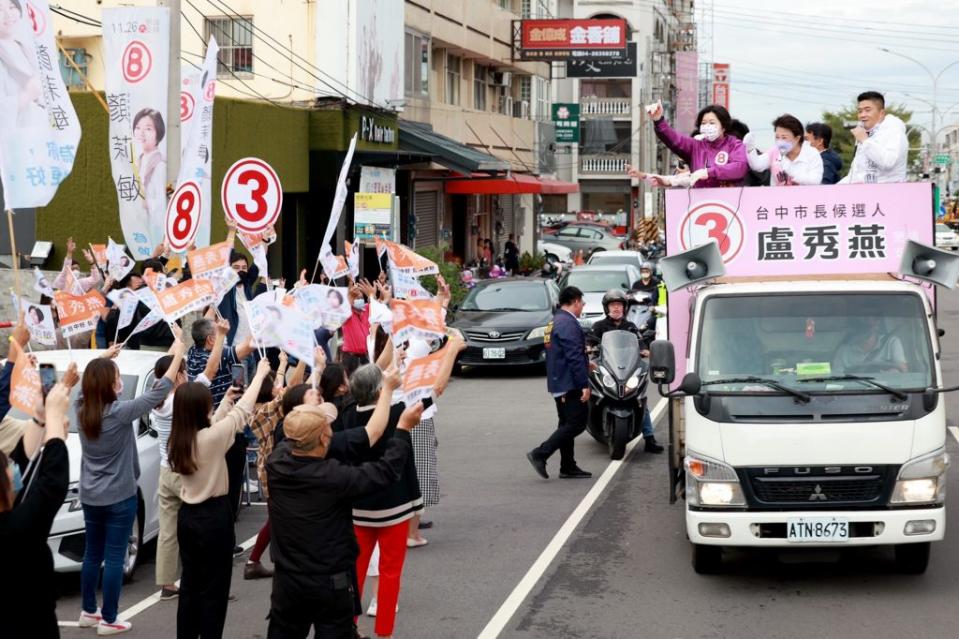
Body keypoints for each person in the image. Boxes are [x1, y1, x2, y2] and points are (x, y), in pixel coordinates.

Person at [265, 395, 424, 639]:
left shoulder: (276, 462)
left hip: (288, 582)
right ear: (322, 438)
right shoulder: (335, 477)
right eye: (328, 427)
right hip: (329, 582)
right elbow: (385, 472)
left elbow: (296, 439)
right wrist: (401, 429)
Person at [76, 339, 186, 635]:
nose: (120, 383)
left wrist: (103, 358)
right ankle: (109, 619)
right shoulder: (120, 412)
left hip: (90, 495)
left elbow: (82, 382)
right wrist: (178, 352)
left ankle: (89, 611)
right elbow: (162, 389)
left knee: (91, 554)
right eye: (116, 380)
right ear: (109, 386)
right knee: (114, 558)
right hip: (119, 496)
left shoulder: (81, 408)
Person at [169, 357, 272, 639]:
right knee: (215, 590)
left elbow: (217, 424)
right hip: (213, 518)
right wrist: (260, 376)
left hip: (188, 517)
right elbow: (241, 414)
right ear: (201, 409)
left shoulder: (180, 438)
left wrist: (225, 400)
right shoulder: (209, 439)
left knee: (191, 586)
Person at [0, 378, 73, 639]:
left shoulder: (11, 519)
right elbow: (52, 483)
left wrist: (41, 418)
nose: (12, 469)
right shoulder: (17, 530)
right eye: (6, 467)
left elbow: (22, 463)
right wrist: (53, 418)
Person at [244, 352, 304, 581]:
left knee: (276, 517)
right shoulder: (266, 410)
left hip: (267, 467)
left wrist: (282, 363)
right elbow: (292, 387)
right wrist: (305, 361)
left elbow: (280, 384)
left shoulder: (257, 405)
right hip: (273, 469)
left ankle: (255, 561)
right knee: (277, 517)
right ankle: (255, 561)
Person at [527, 286, 592, 479]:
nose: (583, 306)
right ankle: (540, 453)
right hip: (569, 383)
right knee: (577, 424)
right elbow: (573, 356)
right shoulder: (568, 323)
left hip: (559, 381)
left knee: (566, 423)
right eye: (582, 302)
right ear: (575, 301)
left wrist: (589, 363)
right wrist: (584, 384)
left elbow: (561, 353)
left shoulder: (556, 321)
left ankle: (568, 466)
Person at [589, 290, 663, 454]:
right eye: (613, 305)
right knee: (592, 394)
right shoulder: (599, 326)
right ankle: (588, 422)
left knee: (640, 400)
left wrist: (648, 351)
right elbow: (589, 343)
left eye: (619, 305)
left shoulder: (630, 327)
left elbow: (641, 344)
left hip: (627, 368)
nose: (616, 308)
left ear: (624, 308)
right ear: (607, 308)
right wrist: (588, 347)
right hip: (607, 367)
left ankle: (649, 439)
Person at [644, 102, 748, 188]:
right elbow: (674, 139)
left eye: (712, 123)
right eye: (703, 123)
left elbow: (740, 167)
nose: (707, 126)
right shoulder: (695, 146)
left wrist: (708, 172)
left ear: (724, 126)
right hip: (699, 204)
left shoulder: (735, 145)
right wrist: (658, 120)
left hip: (728, 203)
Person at [840, 91, 908, 184]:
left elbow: (888, 162)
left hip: (889, 194)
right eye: (860, 111)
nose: (862, 115)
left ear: (881, 113)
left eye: (867, 110)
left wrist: (865, 140)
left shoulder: (894, 132)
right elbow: (857, 174)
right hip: (866, 194)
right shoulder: (867, 134)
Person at [744, 114, 823, 186]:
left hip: (804, 199)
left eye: (784, 137)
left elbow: (815, 180)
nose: (780, 141)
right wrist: (750, 149)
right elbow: (757, 165)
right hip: (779, 199)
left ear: (797, 138)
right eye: (777, 137)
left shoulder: (811, 153)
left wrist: (791, 172)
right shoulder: (775, 151)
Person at [132, 108, 168, 246]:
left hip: (153, 229)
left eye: (148, 129)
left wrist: (147, 204)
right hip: (139, 226)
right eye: (137, 127)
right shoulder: (138, 160)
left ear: (158, 133)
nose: (141, 133)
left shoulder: (160, 165)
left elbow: (160, 200)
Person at [217, 247, 267, 346]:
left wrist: (265, 240)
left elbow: (260, 260)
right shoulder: (224, 289)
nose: (241, 270)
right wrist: (231, 233)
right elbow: (226, 258)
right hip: (232, 348)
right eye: (236, 267)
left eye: (244, 268)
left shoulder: (247, 284)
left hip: (249, 347)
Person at [833, 316, 907, 374]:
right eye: (861, 324)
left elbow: (903, 370)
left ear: (877, 326)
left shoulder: (891, 342)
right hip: (854, 391)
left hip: (888, 390)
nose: (864, 328)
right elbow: (837, 377)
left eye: (868, 325)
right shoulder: (844, 350)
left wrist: (888, 373)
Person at [343, 279, 374, 375]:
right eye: (356, 297)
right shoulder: (347, 312)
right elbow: (342, 311)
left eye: (361, 297)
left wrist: (371, 295)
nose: (359, 298)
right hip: (350, 358)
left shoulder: (367, 310)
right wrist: (349, 297)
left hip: (365, 357)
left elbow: (377, 307)